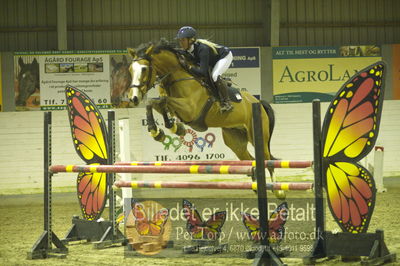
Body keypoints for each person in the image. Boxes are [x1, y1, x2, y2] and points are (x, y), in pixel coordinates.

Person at [176, 26, 233, 112]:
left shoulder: (203, 49)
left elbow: (203, 73)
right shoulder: (189, 49)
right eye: (180, 40)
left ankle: (227, 102)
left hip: (225, 56)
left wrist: (188, 67)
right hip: (213, 60)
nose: (181, 43)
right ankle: (223, 82)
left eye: (183, 40)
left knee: (215, 76)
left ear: (191, 40)